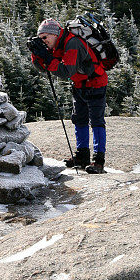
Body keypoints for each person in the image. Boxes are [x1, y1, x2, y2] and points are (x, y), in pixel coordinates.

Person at [29, 17, 108, 173]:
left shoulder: (72, 43)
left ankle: (99, 161)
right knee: (79, 119)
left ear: (55, 33)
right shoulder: (56, 44)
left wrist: (48, 58)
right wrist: (36, 54)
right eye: (40, 39)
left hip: (96, 83)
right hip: (79, 84)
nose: (43, 41)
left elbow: (66, 71)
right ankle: (82, 156)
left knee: (97, 121)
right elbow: (45, 67)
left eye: (45, 37)